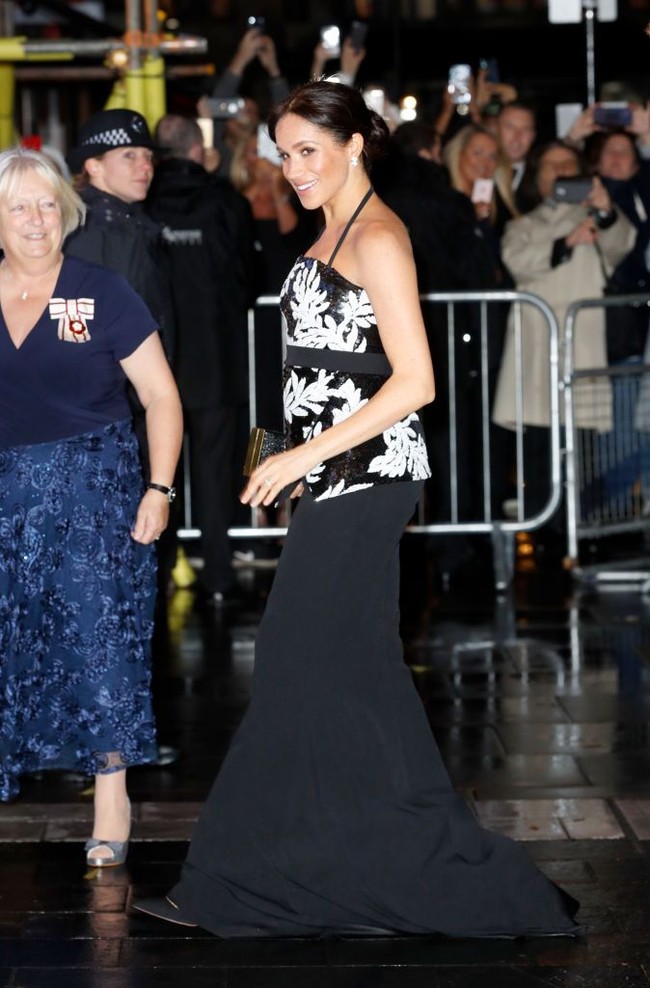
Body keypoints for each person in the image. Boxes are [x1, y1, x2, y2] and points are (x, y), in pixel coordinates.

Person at [134, 80, 579, 939]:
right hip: (336, 477)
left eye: (307, 150)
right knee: (356, 679)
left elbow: (415, 381)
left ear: (353, 146)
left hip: (372, 480)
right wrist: (290, 460)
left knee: (298, 665)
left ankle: (233, 880)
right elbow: (326, 370)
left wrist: (308, 454)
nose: (292, 168)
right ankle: (404, 860)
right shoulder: (329, 228)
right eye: (284, 152)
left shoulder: (377, 236)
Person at [0, 147, 183, 866]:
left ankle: (112, 796)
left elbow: (162, 396)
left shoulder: (101, 291)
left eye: (47, 204)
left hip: (93, 492)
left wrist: (159, 489)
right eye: (18, 207)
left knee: (97, 645)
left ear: (66, 212)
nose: (35, 220)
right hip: (5, 494)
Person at [493, 140, 636, 535]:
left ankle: (580, 535)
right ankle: (545, 540)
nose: (559, 172)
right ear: (538, 178)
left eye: (567, 165)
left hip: (583, 349)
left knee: (584, 453)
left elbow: (622, 244)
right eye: (550, 166)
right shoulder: (523, 225)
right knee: (539, 453)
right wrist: (568, 241)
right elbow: (517, 262)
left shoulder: (598, 218)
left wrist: (604, 209)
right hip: (539, 351)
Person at [147, 114, 254, 607]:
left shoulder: (142, 205)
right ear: (197, 149)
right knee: (214, 473)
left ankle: (160, 569)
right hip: (216, 359)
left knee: (158, 474)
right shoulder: (223, 203)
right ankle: (218, 575)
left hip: (153, 365)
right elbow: (249, 276)